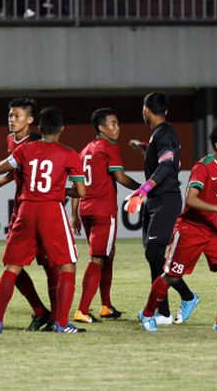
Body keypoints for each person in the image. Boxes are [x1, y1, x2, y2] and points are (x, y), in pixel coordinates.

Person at [0, 107, 86, 334]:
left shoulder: (25, 150)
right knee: (67, 265)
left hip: (26, 209)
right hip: (51, 210)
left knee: (13, 266)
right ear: (61, 129)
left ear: (39, 127)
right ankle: (60, 323)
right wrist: (60, 190)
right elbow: (81, 191)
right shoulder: (69, 153)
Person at [138, 124, 217, 332]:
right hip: (190, 229)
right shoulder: (203, 167)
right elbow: (191, 200)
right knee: (172, 276)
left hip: (210, 229)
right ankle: (147, 313)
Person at [126, 92, 199, 326]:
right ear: (164, 111)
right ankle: (164, 311)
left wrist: (144, 189)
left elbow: (167, 164)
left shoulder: (164, 134)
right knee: (152, 254)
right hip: (156, 201)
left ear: (146, 110)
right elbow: (162, 154)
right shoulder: (161, 134)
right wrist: (143, 147)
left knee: (156, 255)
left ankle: (186, 298)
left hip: (165, 200)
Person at [0, 98, 54, 332]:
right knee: (12, 263)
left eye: (17, 116)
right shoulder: (11, 140)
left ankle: (54, 315)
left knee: (49, 265)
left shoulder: (35, 142)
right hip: (22, 209)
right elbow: (13, 171)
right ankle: (41, 311)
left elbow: (4, 167)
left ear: (30, 120)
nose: (12, 120)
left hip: (39, 208)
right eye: (10, 116)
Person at [70, 108, 139, 324]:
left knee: (107, 255)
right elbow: (120, 177)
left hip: (86, 209)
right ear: (101, 128)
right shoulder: (110, 147)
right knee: (98, 258)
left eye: (117, 123)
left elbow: (77, 183)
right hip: (102, 210)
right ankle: (82, 310)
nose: (117, 128)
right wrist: (144, 188)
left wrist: (74, 215)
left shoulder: (84, 151)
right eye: (113, 123)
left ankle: (106, 306)